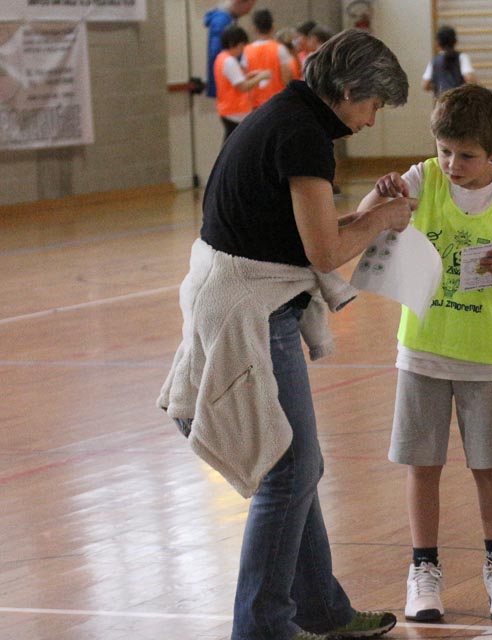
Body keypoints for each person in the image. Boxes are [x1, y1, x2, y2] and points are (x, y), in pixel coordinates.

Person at [158, 29, 413, 640]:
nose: (372, 120)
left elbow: (301, 232)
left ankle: (321, 610)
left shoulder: (288, 115)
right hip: (249, 311)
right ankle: (262, 627)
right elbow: (324, 251)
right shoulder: (303, 135)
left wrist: (369, 214)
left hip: (237, 297)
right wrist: (381, 220)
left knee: (297, 467)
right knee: (289, 469)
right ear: (348, 90)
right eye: (374, 105)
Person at [357, 83, 492, 624]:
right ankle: (423, 569)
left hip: (485, 356)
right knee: (423, 465)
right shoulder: (422, 178)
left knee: (490, 467)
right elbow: (364, 222)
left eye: (467, 156)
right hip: (423, 352)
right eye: (445, 151)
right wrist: (380, 196)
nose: (453, 164)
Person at [213, 25, 271, 142]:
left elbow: (234, 80)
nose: (242, 50)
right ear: (234, 44)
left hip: (229, 109)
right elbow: (242, 87)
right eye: (241, 46)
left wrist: (250, 76)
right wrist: (261, 77)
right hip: (236, 110)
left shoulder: (221, 58)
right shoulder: (229, 61)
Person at [204, 0, 256, 99]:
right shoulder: (222, 22)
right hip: (228, 84)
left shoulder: (226, 20)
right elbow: (217, 52)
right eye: (249, 6)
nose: (248, 11)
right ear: (238, 2)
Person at [245, 8, 293, 108]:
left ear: (254, 28)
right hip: (277, 102)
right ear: (273, 27)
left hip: (255, 104)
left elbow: (245, 80)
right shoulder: (280, 49)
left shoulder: (246, 51)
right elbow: (286, 78)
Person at [422, 25, 475, 97]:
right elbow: (470, 79)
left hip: (441, 99)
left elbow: (425, 85)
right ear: (455, 41)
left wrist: (438, 86)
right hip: (458, 98)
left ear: (437, 43)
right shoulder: (462, 57)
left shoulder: (434, 61)